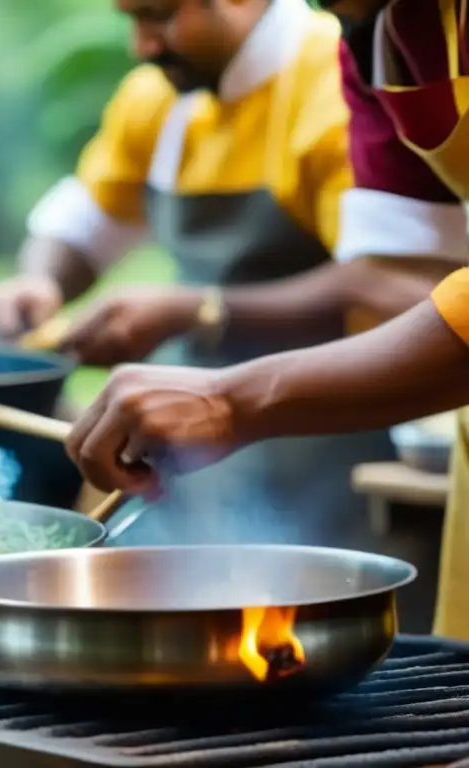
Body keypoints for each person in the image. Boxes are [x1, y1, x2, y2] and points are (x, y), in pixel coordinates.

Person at [63, 0, 469, 636]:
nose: (142, 44)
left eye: (159, 15)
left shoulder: (318, 78)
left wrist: (229, 382)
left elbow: (396, 289)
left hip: (327, 464)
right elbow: (420, 275)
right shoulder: (374, 40)